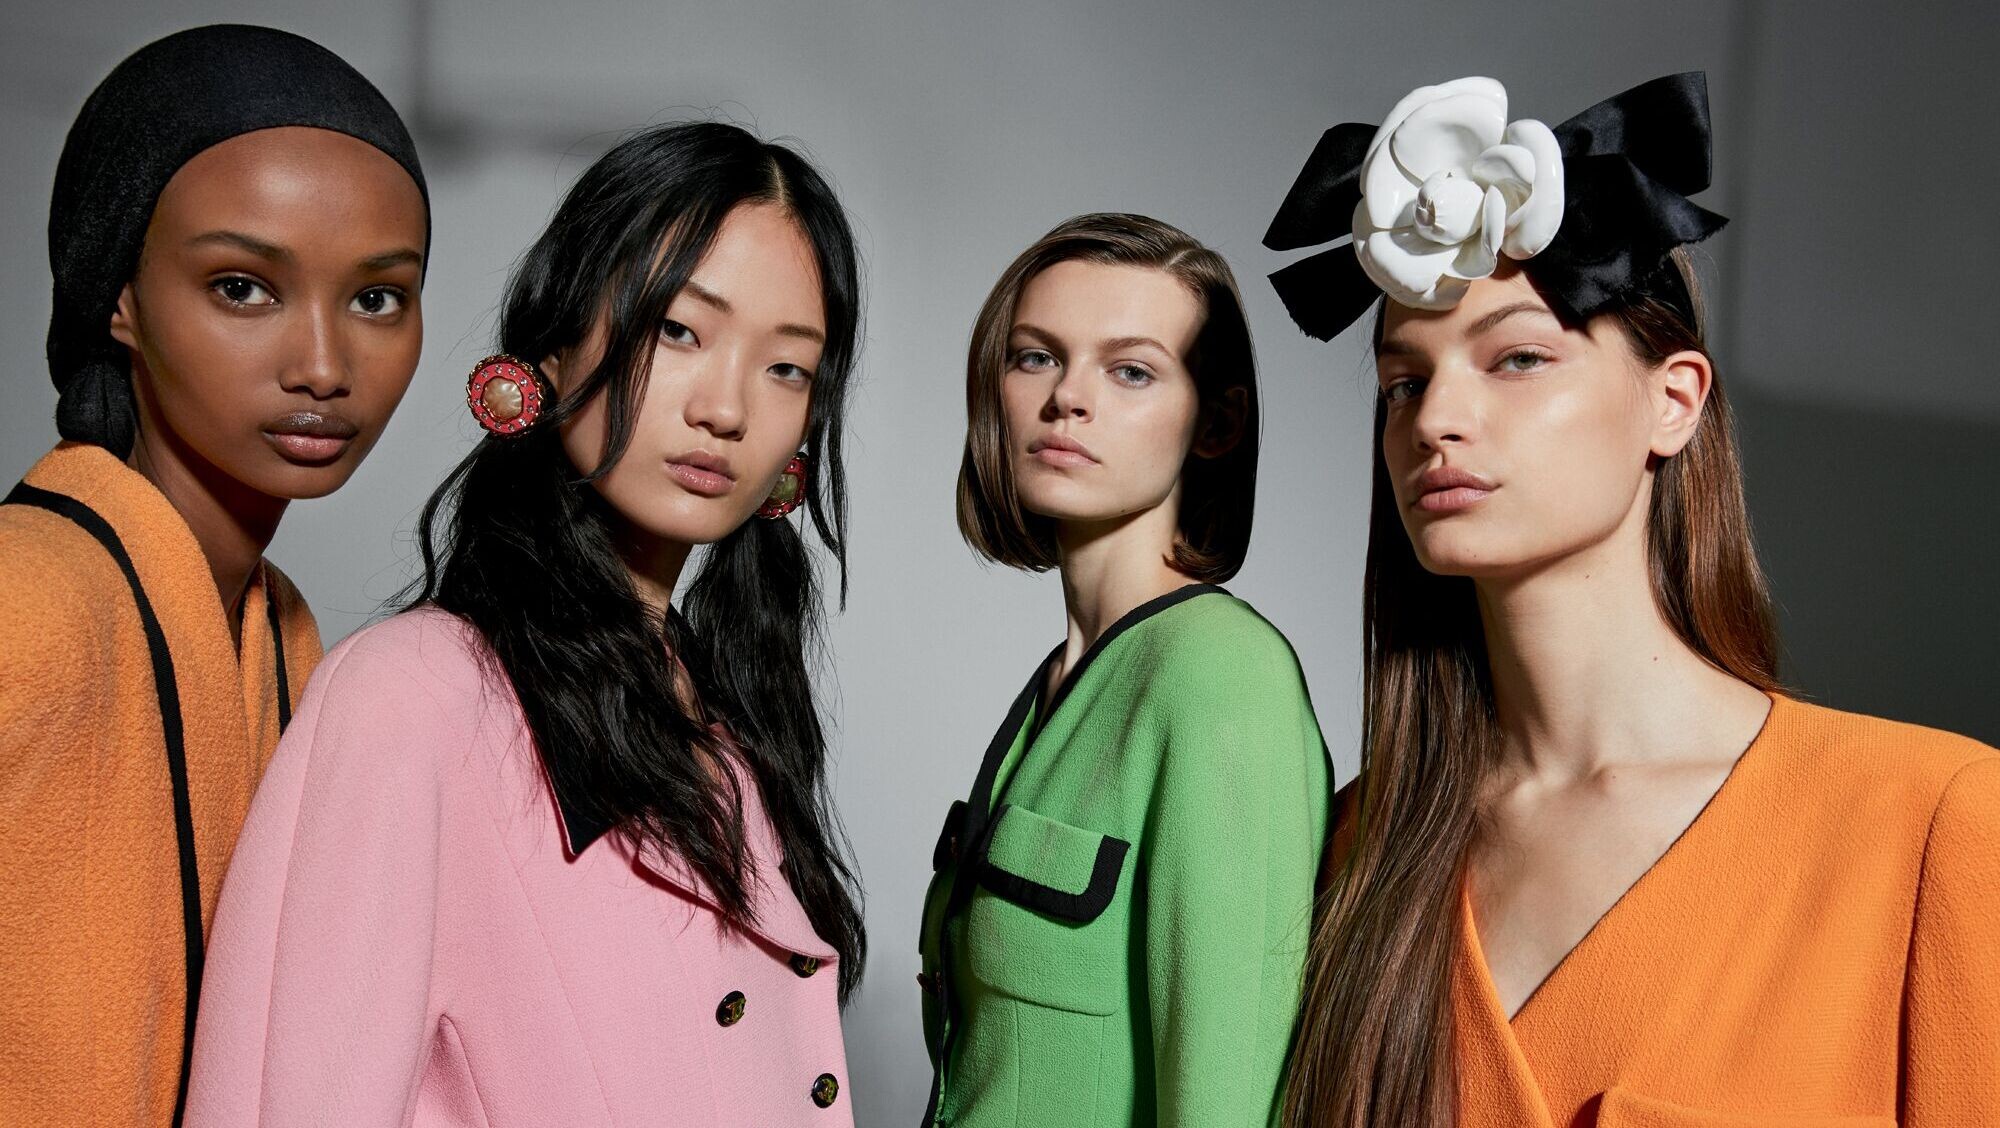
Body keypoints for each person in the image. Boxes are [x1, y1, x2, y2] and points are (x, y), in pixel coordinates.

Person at [1264, 72, 1999, 1127]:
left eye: (1518, 358)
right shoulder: (1347, 854)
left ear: (1673, 400)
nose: (1435, 420)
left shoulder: (1935, 824)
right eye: (1402, 383)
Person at [187, 121, 866, 1127]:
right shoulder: (416, 697)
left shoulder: (730, 718)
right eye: (678, 331)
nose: (726, 409)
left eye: (786, 368)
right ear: (554, 344)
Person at [0, 25, 427, 1125]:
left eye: (377, 298)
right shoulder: (26, 600)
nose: (324, 366)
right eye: (243, 287)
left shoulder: (281, 634)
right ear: (118, 296)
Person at [919, 213, 1332, 1127]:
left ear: (1216, 422)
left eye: (1131, 370)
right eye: (1036, 357)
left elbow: (1225, 1099)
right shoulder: (1063, 683)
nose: (1067, 398)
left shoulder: (1221, 677)